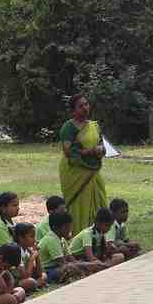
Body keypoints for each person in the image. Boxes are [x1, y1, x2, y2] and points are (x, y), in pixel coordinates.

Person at [59, 95, 111, 240]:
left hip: (93, 172)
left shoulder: (94, 126)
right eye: (80, 106)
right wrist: (91, 151)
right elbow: (68, 152)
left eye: (86, 104)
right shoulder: (68, 128)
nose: (85, 108)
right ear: (73, 110)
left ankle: (99, 238)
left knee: (100, 202)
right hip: (75, 173)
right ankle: (80, 239)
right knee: (79, 207)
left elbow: (102, 145)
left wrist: (101, 150)